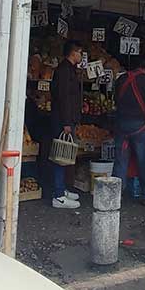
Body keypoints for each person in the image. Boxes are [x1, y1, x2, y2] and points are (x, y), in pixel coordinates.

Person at [113, 56, 145, 204]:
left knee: (120, 160)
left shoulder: (120, 79)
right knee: (144, 160)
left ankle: (116, 195)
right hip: (139, 126)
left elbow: (115, 100)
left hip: (121, 124)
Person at [47, 40, 84, 209]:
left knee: (66, 155)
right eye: (79, 52)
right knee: (60, 156)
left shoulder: (69, 70)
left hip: (65, 118)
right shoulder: (64, 71)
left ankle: (62, 189)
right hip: (63, 120)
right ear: (73, 52)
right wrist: (67, 122)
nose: (81, 56)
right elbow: (64, 98)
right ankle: (59, 195)